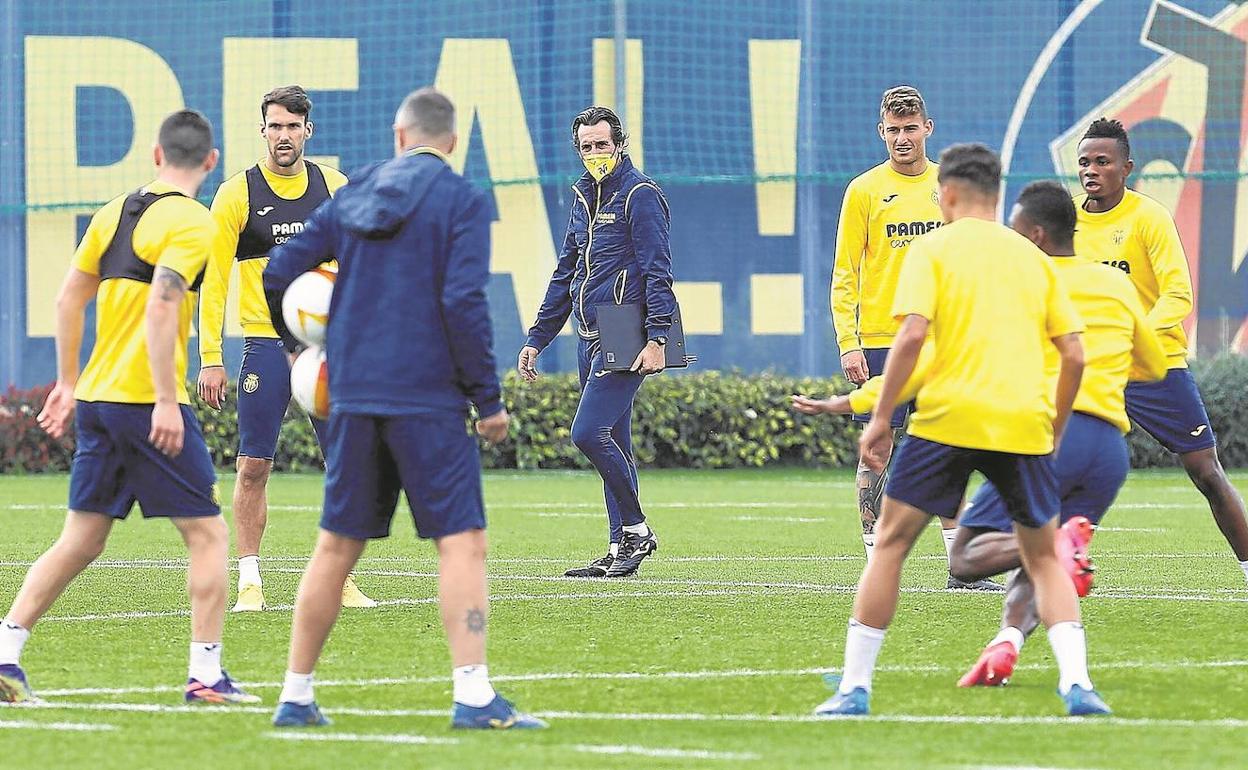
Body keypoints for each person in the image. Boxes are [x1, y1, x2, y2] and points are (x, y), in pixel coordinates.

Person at [797, 180, 1167, 688]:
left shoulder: (1020, 281)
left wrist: (855, 404)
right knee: (1040, 557)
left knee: (963, 554)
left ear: (1033, 235)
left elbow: (930, 358)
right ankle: (1015, 646)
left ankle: (853, 684)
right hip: (1106, 450)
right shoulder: (1114, 285)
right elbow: (1152, 366)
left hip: (1039, 431)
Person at [262, 87, 544, 730]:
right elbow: (463, 302)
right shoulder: (461, 200)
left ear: (398, 135)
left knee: (335, 547)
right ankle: (474, 696)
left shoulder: (355, 189)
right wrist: (487, 401)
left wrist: (310, 343)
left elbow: (280, 270)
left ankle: (296, 696)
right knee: (462, 544)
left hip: (355, 398)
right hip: (426, 401)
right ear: (451, 143)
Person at [0, 110, 257, 705]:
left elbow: (69, 298)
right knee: (210, 536)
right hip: (145, 402)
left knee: (83, 538)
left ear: (155, 154)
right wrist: (168, 400)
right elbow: (163, 307)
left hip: (96, 398)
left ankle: (6, 653)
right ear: (212, 162)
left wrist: (66, 383)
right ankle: (207, 676)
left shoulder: (114, 210)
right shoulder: (195, 222)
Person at [196, 85, 375, 612]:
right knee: (253, 466)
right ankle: (250, 578)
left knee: (344, 461)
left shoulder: (335, 188)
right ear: (263, 130)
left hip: (325, 349)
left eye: (293, 127)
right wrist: (210, 357)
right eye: (275, 126)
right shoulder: (236, 194)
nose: (284, 136)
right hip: (265, 346)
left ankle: (342, 579)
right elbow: (213, 282)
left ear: (307, 132)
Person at [830, 86, 995, 589]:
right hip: (882, 337)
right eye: (893, 130)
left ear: (928, 128)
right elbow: (845, 272)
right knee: (876, 447)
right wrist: (849, 340)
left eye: (911, 128)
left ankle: (959, 568)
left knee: (948, 445)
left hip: (943, 341)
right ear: (882, 132)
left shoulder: (947, 187)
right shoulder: (863, 190)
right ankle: (876, 560)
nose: (902, 138)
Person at [1073, 117, 1248, 587]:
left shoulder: (1148, 217)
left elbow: (1178, 296)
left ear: (1126, 167)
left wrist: (1129, 335)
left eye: (1102, 162)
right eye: (1084, 162)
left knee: (1204, 471)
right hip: (1088, 371)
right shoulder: (1064, 221)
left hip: (1154, 366)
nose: (1091, 170)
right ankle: (1050, 571)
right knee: (1057, 468)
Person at [518, 105, 674, 579]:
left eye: (601, 145)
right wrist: (537, 338)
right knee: (616, 444)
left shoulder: (640, 194)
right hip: (589, 331)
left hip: (626, 327)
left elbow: (658, 270)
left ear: (620, 144)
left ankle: (638, 529)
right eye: (585, 147)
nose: (593, 154)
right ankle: (618, 546)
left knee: (587, 433)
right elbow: (566, 272)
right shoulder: (584, 197)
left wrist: (658, 337)